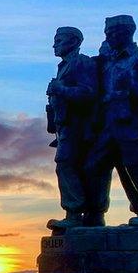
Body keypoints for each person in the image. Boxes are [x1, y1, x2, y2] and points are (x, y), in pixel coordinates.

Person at [89, 14, 138, 226]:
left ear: (127, 33)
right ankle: (95, 214)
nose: (109, 37)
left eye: (113, 33)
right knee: (95, 167)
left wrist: (132, 86)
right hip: (106, 124)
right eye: (107, 33)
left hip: (132, 123)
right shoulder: (105, 63)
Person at [45, 27, 99, 230]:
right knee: (70, 166)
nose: (54, 44)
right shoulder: (65, 66)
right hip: (65, 126)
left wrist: (61, 90)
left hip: (78, 126)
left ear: (74, 41)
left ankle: (74, 213)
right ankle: (78, 213)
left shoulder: (81, 62)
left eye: (59, 40)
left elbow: (88, 93)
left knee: (66, 164)